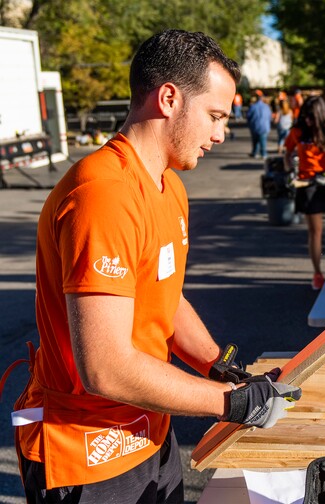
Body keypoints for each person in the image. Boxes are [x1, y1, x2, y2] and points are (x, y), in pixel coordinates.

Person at [9, 29, 301, 503]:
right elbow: (104, 368)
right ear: (168, 98)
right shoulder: (103, 195)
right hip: (86, 451)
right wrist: (230, 403)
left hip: (149, 430)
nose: (221, 134)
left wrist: (220, 366)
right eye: (214, 116)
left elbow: (164, 296)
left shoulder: (168, 185)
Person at [284, 96, 325, 290]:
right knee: (315, 231)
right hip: (307, 184)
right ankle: (318, 273)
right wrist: (290, 171)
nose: (307, 120)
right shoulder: (298, 131)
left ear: (320, 115)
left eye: (311, 117)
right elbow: (287, 154)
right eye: (305, 116)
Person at [246, 92, 272, 160]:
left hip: (255, 126)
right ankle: (263, 154)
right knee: (263, 141)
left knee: (255, 141)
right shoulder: (267, 107)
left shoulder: (253, 106)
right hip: (264, 126)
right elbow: (269, 116)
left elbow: (248, 116)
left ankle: (255, 153)